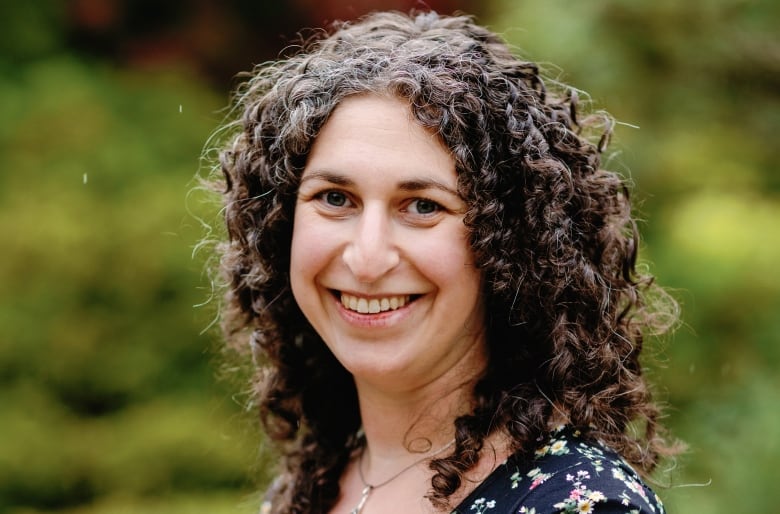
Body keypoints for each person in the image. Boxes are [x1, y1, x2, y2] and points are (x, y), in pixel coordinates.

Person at [211, 9, 681, 514]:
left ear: (511, 245)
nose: (367, 259)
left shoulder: (579, 506)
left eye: (423, 206)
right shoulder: (315, 487)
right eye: (334, 198)